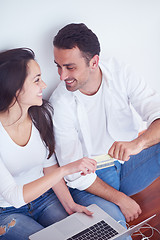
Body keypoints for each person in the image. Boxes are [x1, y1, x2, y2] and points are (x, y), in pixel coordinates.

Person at [50, 23, 160, 232]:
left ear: (94, 62)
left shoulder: (120, 71)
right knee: (115, 231)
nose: (62, 76)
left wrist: (139, 143)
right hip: (91, 180)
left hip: (127, 164)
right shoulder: (60, 103)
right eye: (58, 65)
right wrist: (119, 199)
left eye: (70, 67)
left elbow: (156, 111)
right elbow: (74, 174)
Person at [0, 48, 97, 240]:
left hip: (45, 199)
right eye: (36, 80)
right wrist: (66, 169)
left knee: (81, 235)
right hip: (7, 212)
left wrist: (70, 206)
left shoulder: (39, 115)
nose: (43, 85)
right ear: (14, 87)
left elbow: (49, 167)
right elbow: (14, 196)